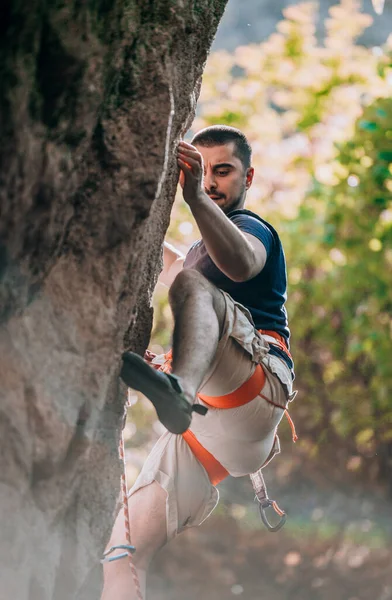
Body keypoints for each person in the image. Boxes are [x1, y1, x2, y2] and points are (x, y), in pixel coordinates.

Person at [101, 125, 296, 600]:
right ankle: (180, 395)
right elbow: (159, 260)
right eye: (201, 171)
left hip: (256, 387)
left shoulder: (254, 229)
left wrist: (193, 197)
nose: (210, 181)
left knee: (190, 287)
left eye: (223, 171)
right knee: (121, 552)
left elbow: (242, 265)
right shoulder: (195, 255)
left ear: (248, 177)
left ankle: (178, 393)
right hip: (215, 434)